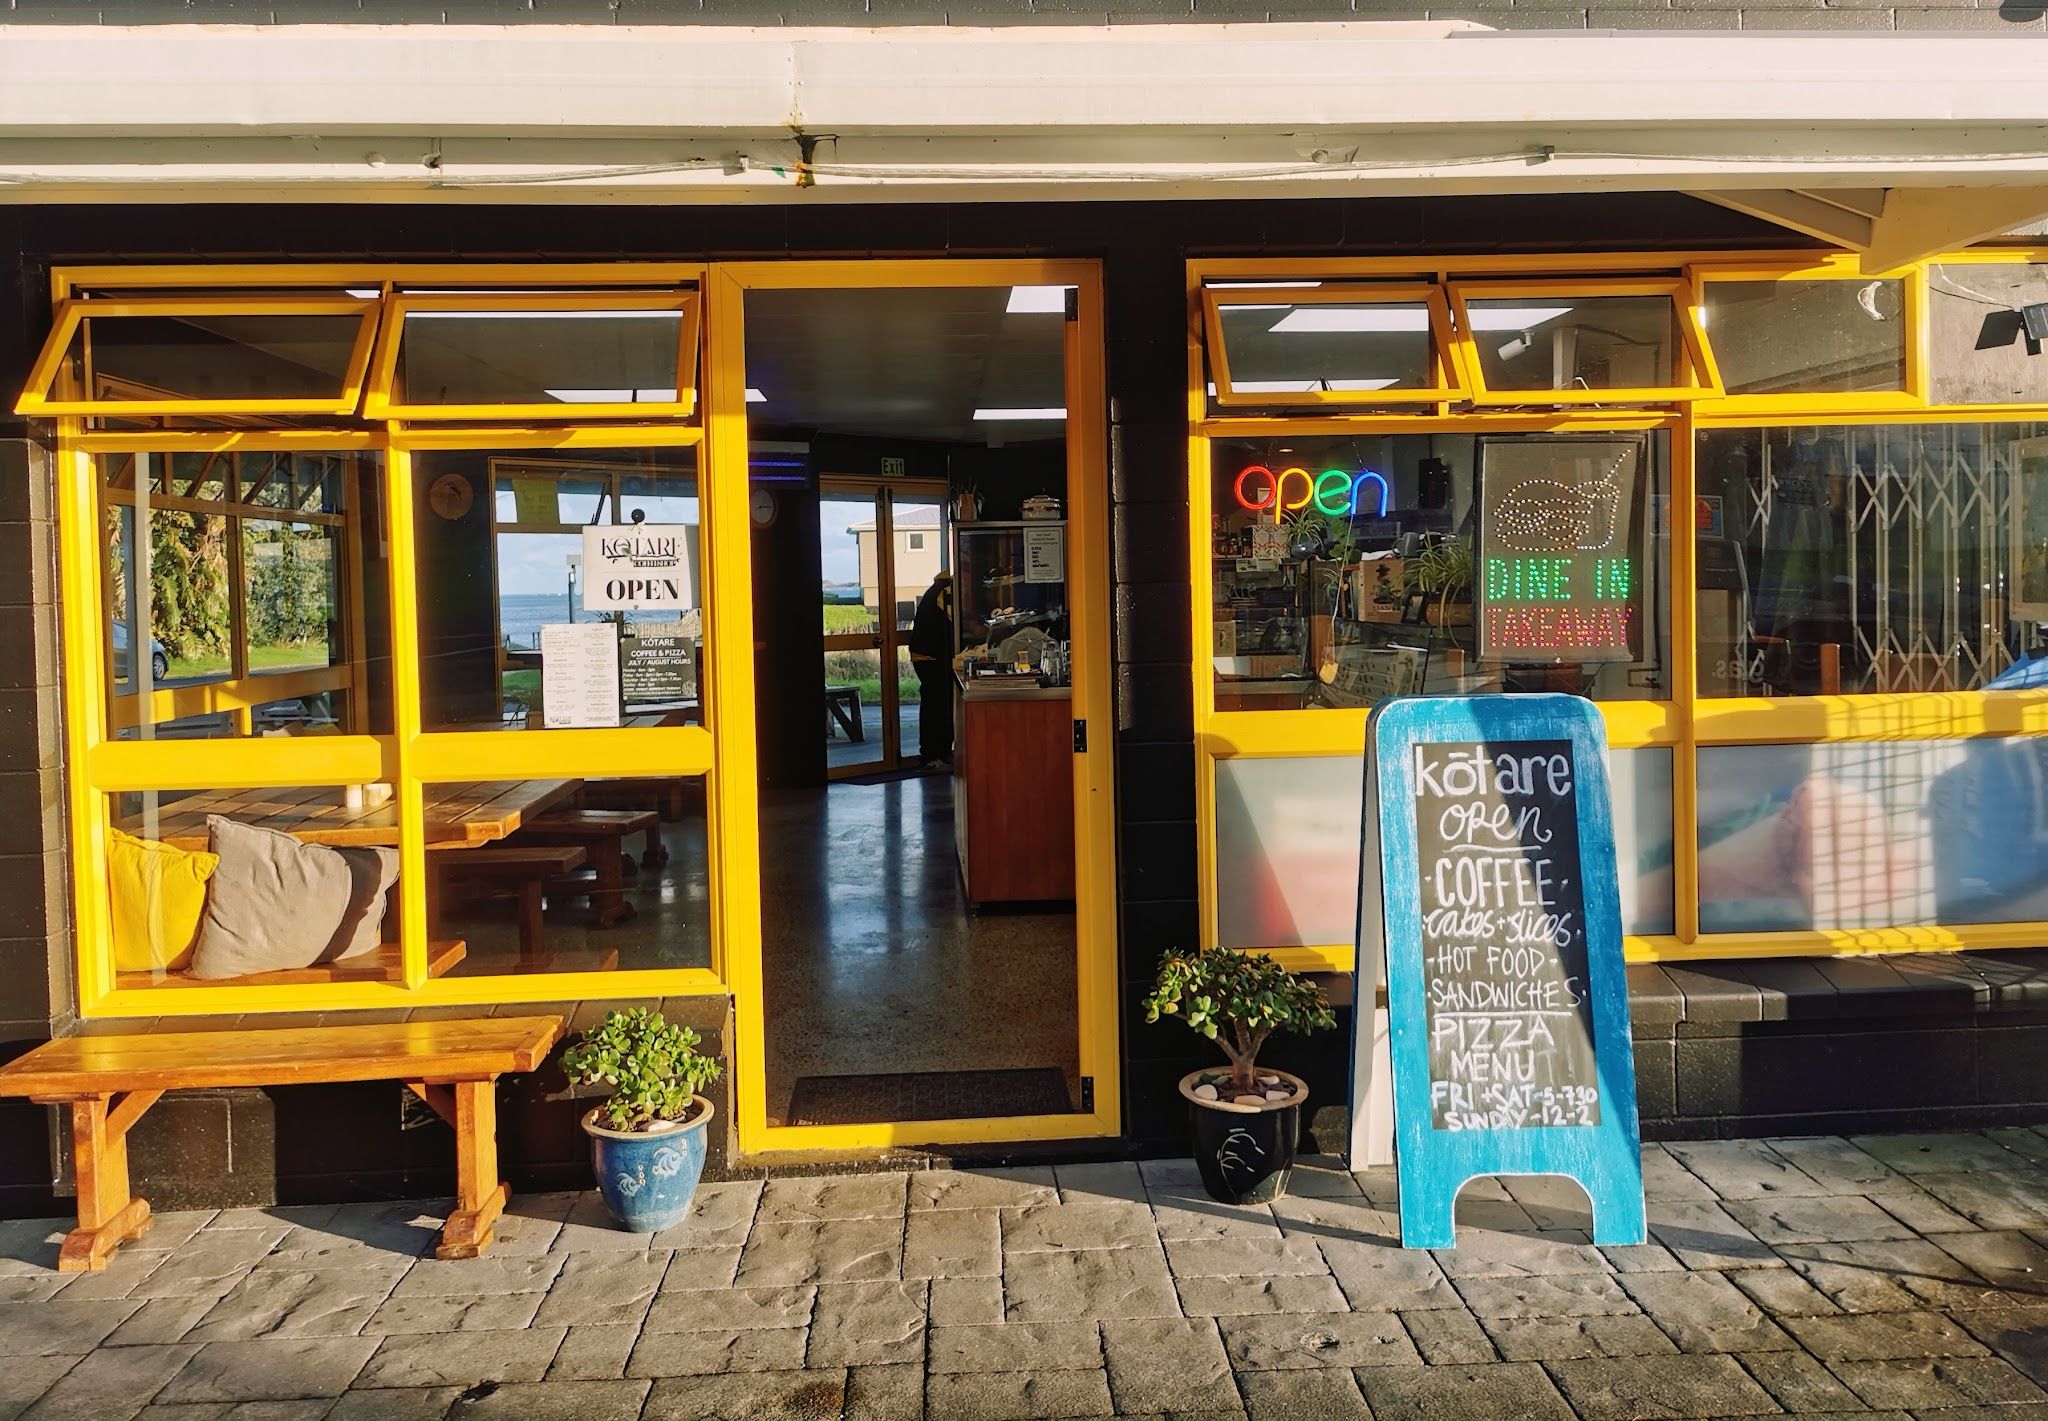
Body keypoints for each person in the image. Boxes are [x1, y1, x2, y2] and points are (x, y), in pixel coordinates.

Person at [908, 570, 955, 769]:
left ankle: (938, 754)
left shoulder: (936, 590)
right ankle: (932, 755)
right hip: (932, 656)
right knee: (937, 706)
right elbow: (957, 621)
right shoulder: (945, 592)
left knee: (936, 704)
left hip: (925, 655)